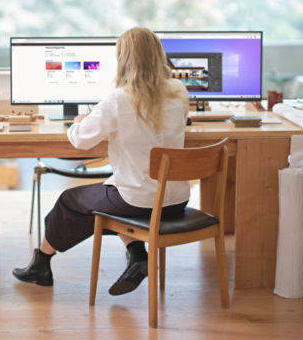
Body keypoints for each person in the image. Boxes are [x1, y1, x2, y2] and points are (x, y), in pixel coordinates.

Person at [12, 27, 190, 295]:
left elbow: (81, 141)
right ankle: (137, 255)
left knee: (69, 202)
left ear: (124, 59)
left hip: (139, 202)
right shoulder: (179, 90)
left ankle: (41, 264)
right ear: (157, 55)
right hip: (176, 201)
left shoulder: (119, 98)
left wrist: (78, 122)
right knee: (109, 190)